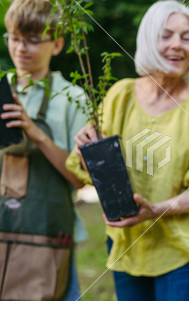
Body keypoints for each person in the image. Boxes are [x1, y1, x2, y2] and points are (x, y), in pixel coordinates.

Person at [66, 0, 189, 301]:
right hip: (126, 243)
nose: (177, 46)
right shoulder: (120, 95)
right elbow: (92, 169)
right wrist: (86, 147)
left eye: (186, 36)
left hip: (180, 249)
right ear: (148, 41)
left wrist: (157, 210)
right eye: (166, 35)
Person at [0, 0, 88, 300]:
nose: (21, 48)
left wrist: (37, 135)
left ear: (57, 44)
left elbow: (80, 179)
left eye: (33, 40)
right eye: (14, 38)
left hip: (49, 239)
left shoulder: (72, 98)